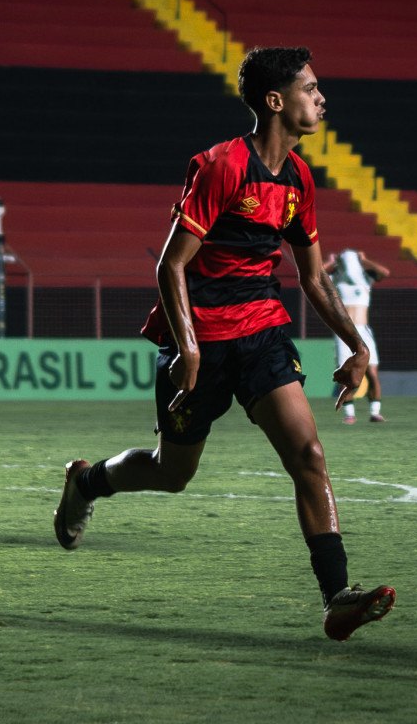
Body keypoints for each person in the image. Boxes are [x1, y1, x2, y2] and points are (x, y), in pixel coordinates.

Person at [53, 47, 395, 641]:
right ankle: (85, 481)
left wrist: (356, 344)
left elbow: (313, 278)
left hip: (262, 333)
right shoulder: (222, 167)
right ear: (275, 101)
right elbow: (170, 265)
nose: (321, 98)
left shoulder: (299, 179)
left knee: (309, 457)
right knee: (171, 472)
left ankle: (338, 596)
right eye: (310, 88)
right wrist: (188, 348)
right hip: (200, 343)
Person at [322, 249, 390, 423]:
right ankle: (349, 414)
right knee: (346, 372)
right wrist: (331, 262)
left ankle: (375, 412)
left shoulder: (366, 278)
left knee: (372, 371)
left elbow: (385, 272)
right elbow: (317, 276)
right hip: (343, 331)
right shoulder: (335, 279)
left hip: (363, 330)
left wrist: (365, 260)